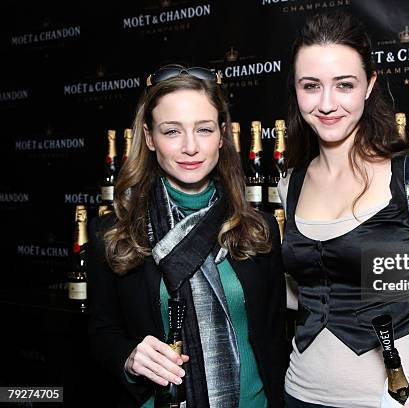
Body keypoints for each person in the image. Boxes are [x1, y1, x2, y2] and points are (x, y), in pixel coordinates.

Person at [279, 12, 409, 408]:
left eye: (344, 85)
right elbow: (309, 288)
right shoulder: (289, 183)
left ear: (369, 86)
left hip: (393, 399)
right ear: (296, 89)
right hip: (298, 394)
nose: (327, 103)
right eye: (311, 86)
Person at [87, 65, 288, 408]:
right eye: (172, 131)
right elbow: (101, 333)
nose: (191, 147)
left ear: (222, 134)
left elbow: (276, 339)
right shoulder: (114, 235)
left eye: (204, 129)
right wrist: (130, 357)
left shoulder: (259, 230)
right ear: (150, 138)